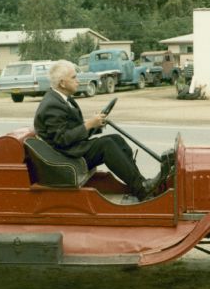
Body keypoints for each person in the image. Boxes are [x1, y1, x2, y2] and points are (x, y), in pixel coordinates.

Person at [34, 60, 161, 201]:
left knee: (115, 139)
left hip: (71, 149)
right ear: (62, 83)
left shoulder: (62, 99)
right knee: (106, 145)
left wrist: (94, 125)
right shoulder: (52, 104)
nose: (78, 81)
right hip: (64, 157)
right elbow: (61, 139)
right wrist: (88, 125)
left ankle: (140, 184)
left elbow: (71, 130)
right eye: (74, 77)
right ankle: (141, 188)